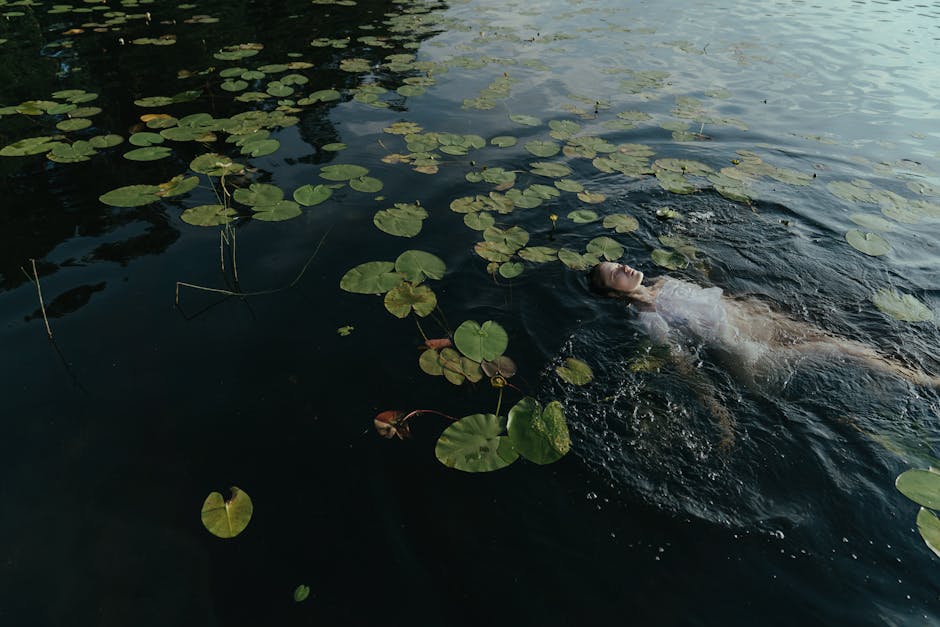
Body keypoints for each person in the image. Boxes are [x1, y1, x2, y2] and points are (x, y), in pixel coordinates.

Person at [589, 261, 940, 446]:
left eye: (618, 262)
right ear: (613, 294)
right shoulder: (650, 318)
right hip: (746, 348)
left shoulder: (664, 280)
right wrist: (718, 411)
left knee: (833, 337)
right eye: (614, 273)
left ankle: (895, 376)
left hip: (759, 319)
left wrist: (761, 311)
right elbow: (683, 364)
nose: (623, 266)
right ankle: (922, 381)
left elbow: (717, 298)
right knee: (838, 348)